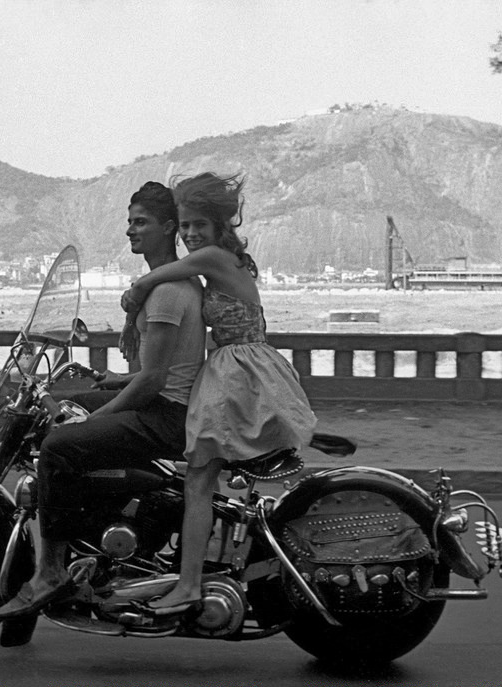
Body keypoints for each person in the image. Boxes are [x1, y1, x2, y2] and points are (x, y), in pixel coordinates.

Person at [0, 181, 206, 619]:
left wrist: (99, 415)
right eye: (129, 221)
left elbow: (154, 382)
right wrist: (112, 382)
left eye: (141, 222)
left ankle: (49, 572)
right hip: (165, 402)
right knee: (65, 406)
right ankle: (87, 537)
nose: (131, 230)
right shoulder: (168, 283)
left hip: (166, 414)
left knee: (58, 445)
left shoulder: (166, 292)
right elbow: (162, 370)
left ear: (169, 227)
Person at [120, 171, 318, 615]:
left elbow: (160, 274)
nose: (190, 234)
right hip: (240, 365)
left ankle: (189, 584)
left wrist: (137, 292)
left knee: (199, 480)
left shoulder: (210, 258)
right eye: (185, 225)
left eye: (198, 226)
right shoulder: (227, 260)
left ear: (218, 228)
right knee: (207, 477)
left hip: (238, 369)